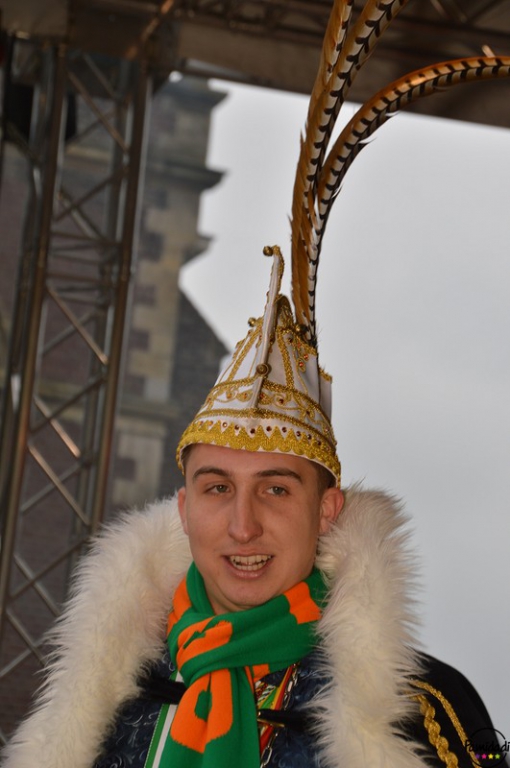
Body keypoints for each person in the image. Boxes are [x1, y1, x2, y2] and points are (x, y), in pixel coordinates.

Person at [3, 1, 510, 766]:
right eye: (216, 489)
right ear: (183, 507)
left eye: (276, 489)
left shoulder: (416, 718)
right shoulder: (104, 710)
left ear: (327, 510)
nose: (242, 526)